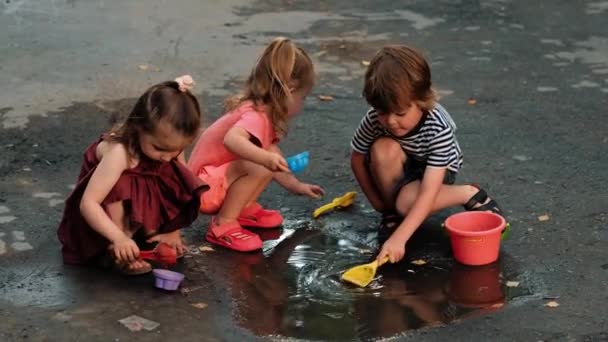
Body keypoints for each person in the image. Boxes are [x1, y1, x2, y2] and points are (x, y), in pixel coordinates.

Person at [350, 45, 503, 264]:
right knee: (382, 150)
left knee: (405, 203)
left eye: (400, 113)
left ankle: (467, 193)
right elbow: (357, 158)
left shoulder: (438, 126)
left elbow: (429, 191)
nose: (391, 122)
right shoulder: (376, 118)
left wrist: (399, 238)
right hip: (404, 164)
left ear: (421, 100)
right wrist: (378, 203)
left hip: (437, 171)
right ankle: (393, 213)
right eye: (383, 113)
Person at [57, 75, 208, 275]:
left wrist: (172, 231)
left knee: (174, 173)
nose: (167, 156)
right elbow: (89, 203)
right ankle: (117, 248)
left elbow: (181, 188)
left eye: (177, 150)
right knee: (121, 182)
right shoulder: (120, 153)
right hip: (101, 218)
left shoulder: (168, 148)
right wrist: (119, 238)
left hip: (136, 201)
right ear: (139, 128)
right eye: (159, 148)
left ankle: (147, 233)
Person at [188, 37, 324, 252]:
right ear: (288, 90)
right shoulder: (254, 115)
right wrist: (265, 159)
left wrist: (295, 186)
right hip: (201, 190)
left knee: (265, 157)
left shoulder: (263, 114)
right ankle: (223, 224)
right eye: (302, 97)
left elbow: (272, 156)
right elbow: (232, 140)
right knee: (260, 162)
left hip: (212, 183)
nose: (302, 103)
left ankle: (242, 208)